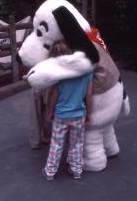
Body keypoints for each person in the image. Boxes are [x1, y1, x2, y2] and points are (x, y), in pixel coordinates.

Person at [42, 41, 93, 180]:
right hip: (79, 115)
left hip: (61, 115)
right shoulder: (87, 72)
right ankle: (77, 170)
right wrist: (89, 113)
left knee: (56, 144)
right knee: (77, 144)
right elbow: (89, 96)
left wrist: (49, 112)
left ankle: (50, 172)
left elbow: (54, 95)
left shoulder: (59, 75)